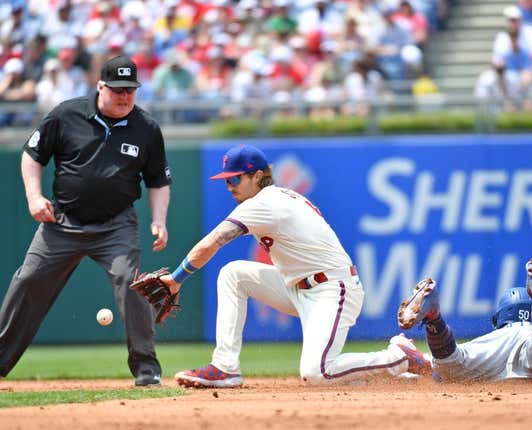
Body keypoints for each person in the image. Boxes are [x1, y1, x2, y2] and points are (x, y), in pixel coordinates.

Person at [155, 144, 430, 388]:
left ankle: (398, 357)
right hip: (298, 287)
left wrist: (176, 279)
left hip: (332, 290)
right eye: (226, 181)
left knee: (317, 373)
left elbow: (211, 244)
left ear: (258, 176)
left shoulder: (263, 203)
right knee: (233, 274)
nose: (230, 186)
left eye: (235, 179)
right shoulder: (276, 197)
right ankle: (225, 367)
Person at [0, 56, 172, 387]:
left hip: (116, 225)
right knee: (28, 280)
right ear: (100, 86)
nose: (125, 96)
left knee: (131, 282)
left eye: (130, 90)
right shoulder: (67, 114)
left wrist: (160, 219)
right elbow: (32, 156)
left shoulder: (146, 128)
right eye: (118, 89)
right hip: (62, 221)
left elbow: (158, 180)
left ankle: (146, 367)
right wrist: (34, 198)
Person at [398, 258, 532, 381]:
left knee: (451, 365)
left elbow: (440, 375)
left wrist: (431, 368)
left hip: (495, 352)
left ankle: (434, 317)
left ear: (499, 318)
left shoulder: (492, 338)